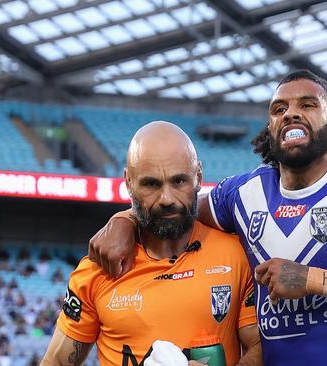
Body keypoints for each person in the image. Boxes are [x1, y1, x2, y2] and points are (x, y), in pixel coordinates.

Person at [88, 70, 327, 365]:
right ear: (270, 128)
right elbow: (170, 205)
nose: (290, 113)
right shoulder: (243, 195)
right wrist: (125, 220)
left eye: (308, 105)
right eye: (278, 109)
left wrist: (312, 279)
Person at [41, 122, 261, 366]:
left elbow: (259, 347)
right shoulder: (98, 269)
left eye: (179, 181)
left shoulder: (236, 255)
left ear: (198, 177)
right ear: (128, 182)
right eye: (151, 184)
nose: (167, 199)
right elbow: (57, 361)